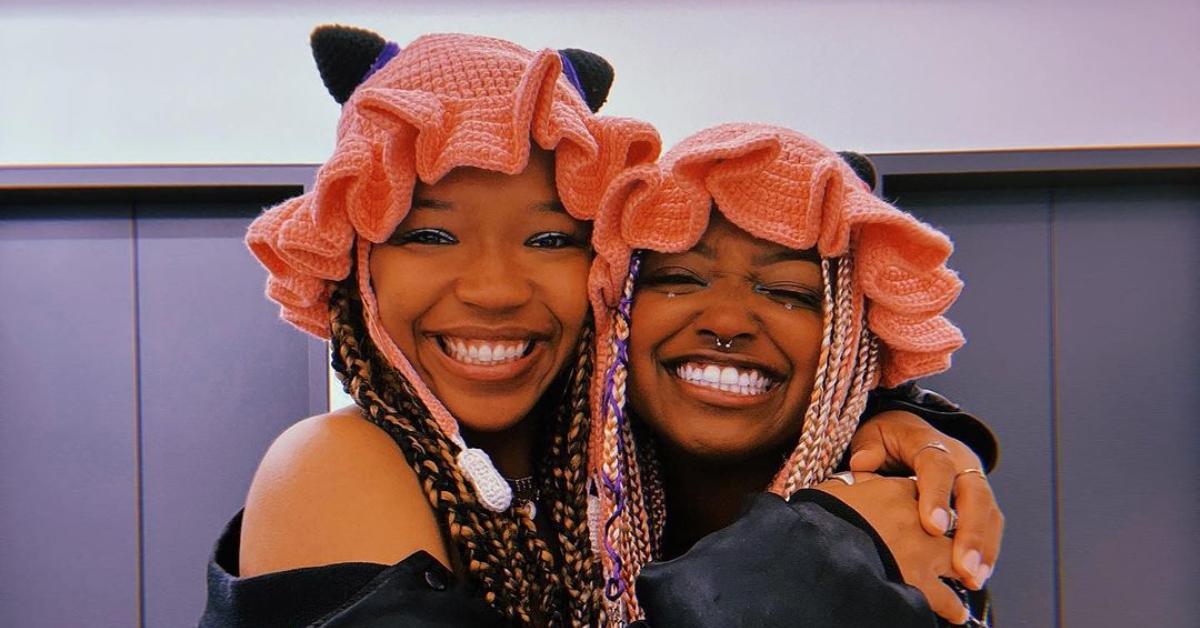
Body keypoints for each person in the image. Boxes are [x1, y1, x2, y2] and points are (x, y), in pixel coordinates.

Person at [202, 27, 999, 628]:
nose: (492, 289)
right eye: (429, 235)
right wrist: (822, 548)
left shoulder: (611, 479)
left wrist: (909, 427)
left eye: (551, 239)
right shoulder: (329, 467)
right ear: (357, 266)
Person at [588, 123, 1002, 626]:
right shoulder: (530, 501)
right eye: (678, 279)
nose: (726, 322)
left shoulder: (901, 540)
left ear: (851, 344)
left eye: (788, 292)